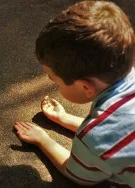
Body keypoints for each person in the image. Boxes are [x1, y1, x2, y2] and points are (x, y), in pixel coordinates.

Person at [14, 1, 135, 187]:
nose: (51, 82)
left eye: (55, 80)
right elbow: (118, 130)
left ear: (86, 88)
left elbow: (75, 173)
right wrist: (63, 119)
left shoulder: (95, 137)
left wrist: (43, 140)